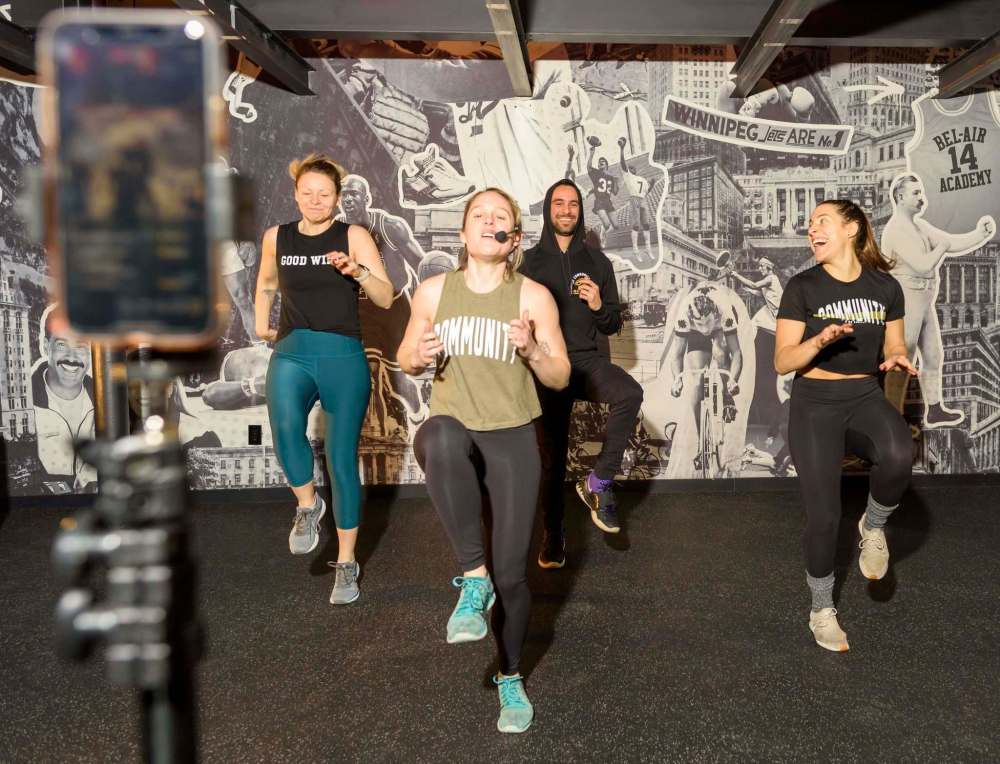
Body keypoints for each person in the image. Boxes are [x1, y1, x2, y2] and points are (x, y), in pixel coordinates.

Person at [398, 188, 569, 733]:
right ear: (465, 232)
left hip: (513, 439)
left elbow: (561, 376)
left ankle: (511, 674)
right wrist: (418, 357)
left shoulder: (533, 297)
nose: (488, 221)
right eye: (479, 214)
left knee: (515, 576)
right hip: (457, 428)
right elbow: (405, 356)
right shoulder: (432, 292)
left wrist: (534, 352)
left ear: (513, 237)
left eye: (500, 216)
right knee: (438, 434)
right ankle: (474, 577)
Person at [775, 199, 916, 652]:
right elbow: (782, 362)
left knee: (898, 454)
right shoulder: (802, 287)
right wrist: (818, 339)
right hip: (815, 403)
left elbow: (893, 345)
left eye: (822, 221)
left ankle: (872, 527)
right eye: (810, 223)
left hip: (864, 395)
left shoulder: (886, 287)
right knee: (824, 516)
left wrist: (895, 358)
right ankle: (820, 608)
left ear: (852, 227)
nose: (811, 229)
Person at [254, 153, 393, 605]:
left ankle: (347, 563)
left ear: (337, 198)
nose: (316, 200)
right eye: (307, 192)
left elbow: (386, 296)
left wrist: (358, 271)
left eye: (325, 194)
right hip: (292, 351)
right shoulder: (277, 236)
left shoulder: (353, 235)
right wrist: (261, 322)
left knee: (339, 459)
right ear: (296, 194)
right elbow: (266, 284)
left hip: (342, 355)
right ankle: (308, 505)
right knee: (286, 429)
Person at [519, 179, 643, 567]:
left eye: (573, 204)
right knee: (551, 459)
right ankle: (553, 537)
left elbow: (611, 325)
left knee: (630, 394)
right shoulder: (528, 261)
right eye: (559, 203)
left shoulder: (598, 263)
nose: (566, 210)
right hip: (545, 363)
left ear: (580, 211)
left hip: (586, 362)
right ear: (548, 210)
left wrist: (596, 304)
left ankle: (597, 482)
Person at [881, 173, 995, 427]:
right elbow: (923, 265)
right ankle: (889, 417)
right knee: (902, 357)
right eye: (915, 193)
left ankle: (934, 409)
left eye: (921, 192)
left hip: (923, 300)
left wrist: (980, 234)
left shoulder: (918, 225)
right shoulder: (895, 229)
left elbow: (953, 242)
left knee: (933, 355)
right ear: (900, 197)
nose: (922, 198)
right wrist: (941, 247)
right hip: (905, 299)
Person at [31, 305, 96, 492]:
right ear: (45, 346)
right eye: (62, 345)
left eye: (81, 347)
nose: (72, 357)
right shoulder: (26, 403)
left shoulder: (109, 402)